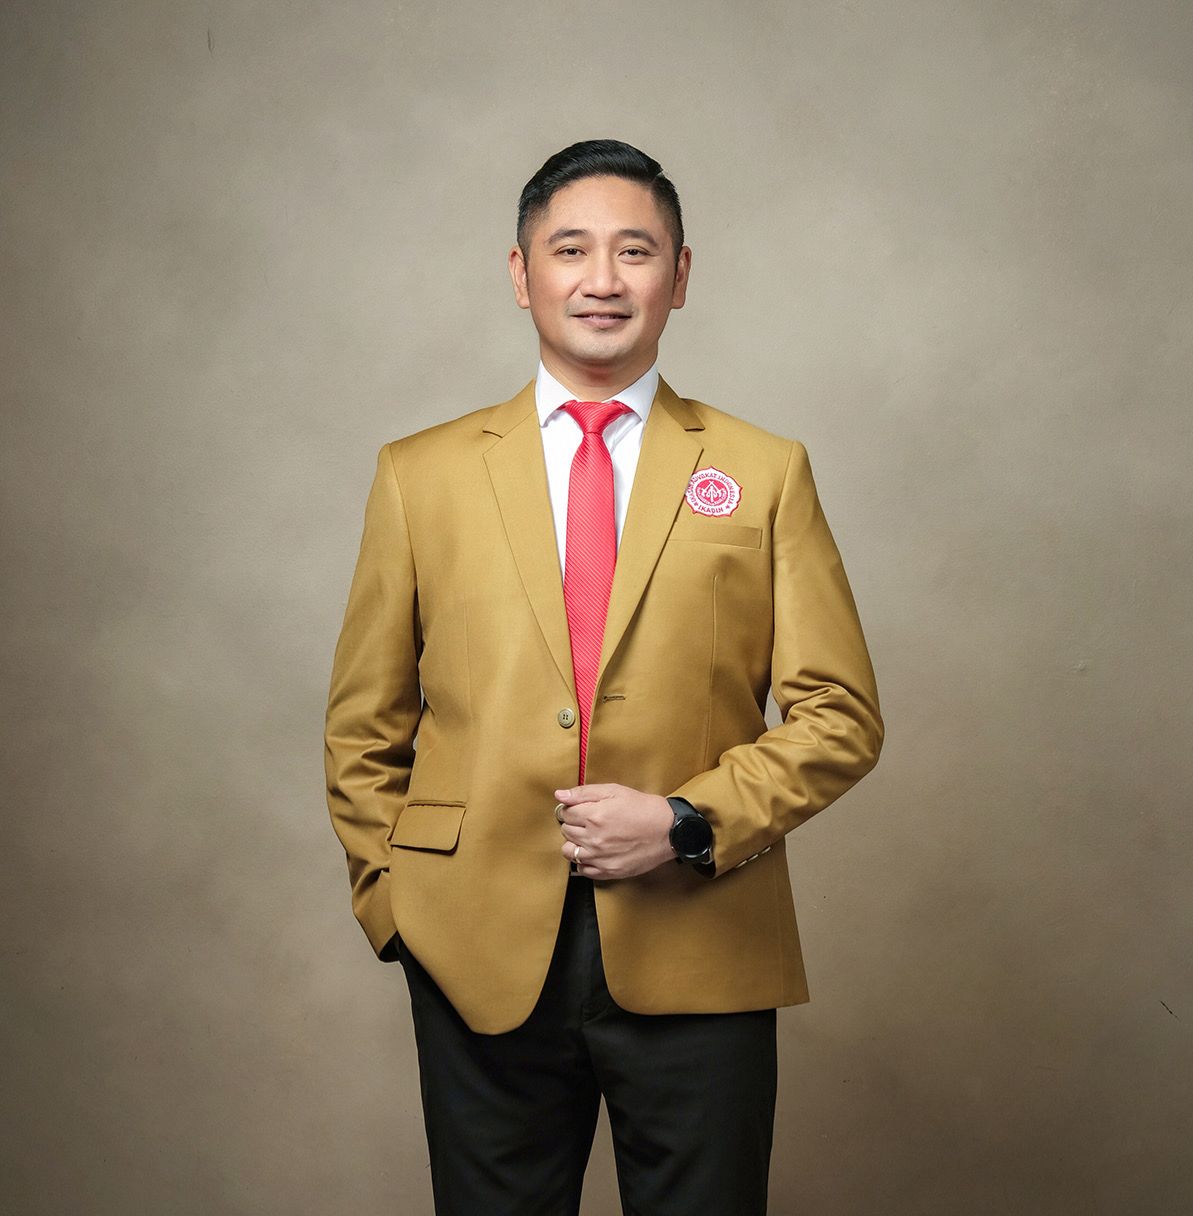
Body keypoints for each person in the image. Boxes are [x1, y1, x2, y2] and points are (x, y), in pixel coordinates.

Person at [324, 138, 883, 1216]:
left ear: (680, 276)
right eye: (570, 248)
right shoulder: (419, 474)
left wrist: (686, 819)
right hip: (472, 946)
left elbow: (840, 716)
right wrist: (395, 906)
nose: (603, 278)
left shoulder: (763, 471)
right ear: (521, 273)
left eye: (636, 250)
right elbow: (364, 724)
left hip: (703, 935)